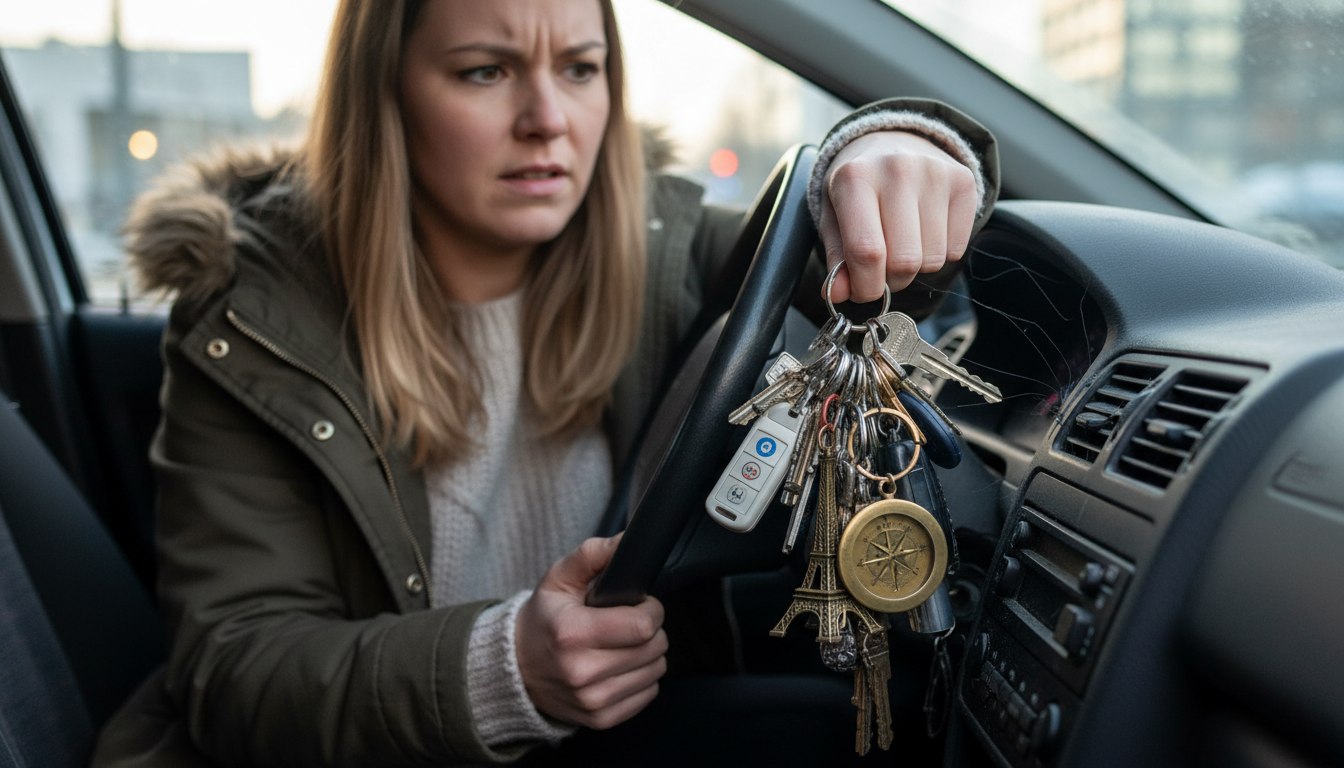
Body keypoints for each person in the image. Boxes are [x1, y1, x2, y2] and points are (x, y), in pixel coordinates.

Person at [92, 0, 998, 765]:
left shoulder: (666, 254)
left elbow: (871, 262)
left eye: (579, 67)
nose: (548, 119)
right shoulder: (256, 319)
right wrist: (499, 669)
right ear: (388, 96)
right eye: (485, 71)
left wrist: (896, 147)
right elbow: (238, 667)